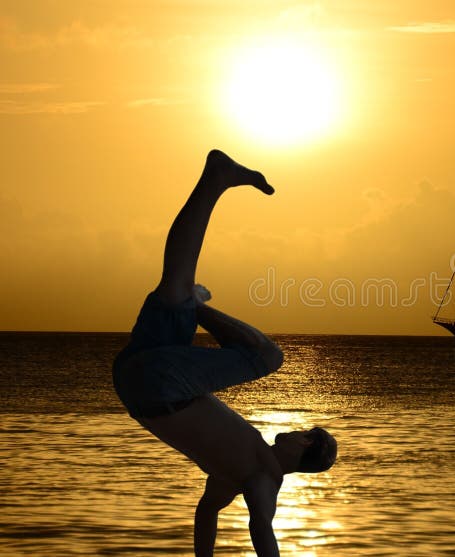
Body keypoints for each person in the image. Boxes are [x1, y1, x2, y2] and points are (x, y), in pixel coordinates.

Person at [112, 149, 337, 557]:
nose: (299, 429)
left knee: (269, 357)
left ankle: (195, 304)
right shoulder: (231, 477)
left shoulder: (264, 479)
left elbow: (262, 534)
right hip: (140, 385)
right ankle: (215, 180)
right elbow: (206, 512)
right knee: (177, 280)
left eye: (307, 433)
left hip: (162, 387)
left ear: (307, 447)